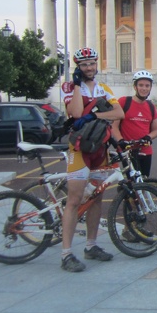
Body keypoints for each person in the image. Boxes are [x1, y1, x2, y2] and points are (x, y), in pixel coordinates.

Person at [59, 47, 125, 272]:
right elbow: (76, 112)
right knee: (75, 200)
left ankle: (91, 245)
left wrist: (95, 115)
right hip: (79, 148)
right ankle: (66, 253)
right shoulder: (69, 87)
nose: (89, 68)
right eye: (84, 65)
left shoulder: (103, 87)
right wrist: (77, 85)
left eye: (92, 64)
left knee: (96, 197)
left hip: (99, 147)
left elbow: (119, 113)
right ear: (78, 67)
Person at [111, 70, 157, 177]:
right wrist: (121, 141)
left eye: (147, 86)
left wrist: (148, 137)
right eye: (141, 85)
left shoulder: (151, 106)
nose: (144, 88)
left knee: (144, 182)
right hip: (128, 151)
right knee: (131, 184)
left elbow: (156, 130)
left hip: (145, 151)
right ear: (135, 87)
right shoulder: (124, 102)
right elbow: (114, 126)